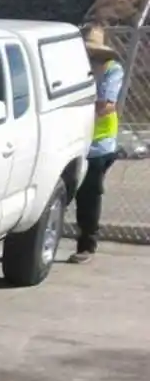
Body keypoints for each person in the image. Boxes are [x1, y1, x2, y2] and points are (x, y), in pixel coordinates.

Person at [69, 26, 126, 265]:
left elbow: (107, 105)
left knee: (89, 194)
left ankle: (87, 244)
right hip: (71, 139)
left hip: (99, 142)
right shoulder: (72, 68)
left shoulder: (112, 70)